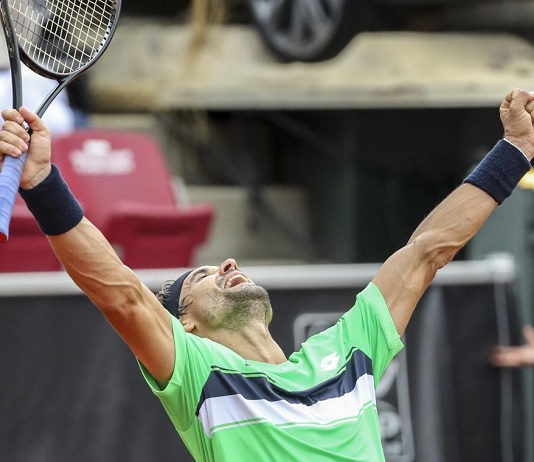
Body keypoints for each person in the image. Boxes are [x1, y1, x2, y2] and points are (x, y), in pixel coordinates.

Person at [1, 88, 534, 461]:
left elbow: (427, 251)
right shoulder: (197, 373)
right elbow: (118, 292)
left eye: (222, 262)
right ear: (186, 326)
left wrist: (514, 153)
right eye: (203, 275)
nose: (228, 264)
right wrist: (43, 182)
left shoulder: (350, 347)